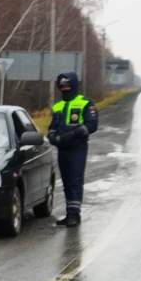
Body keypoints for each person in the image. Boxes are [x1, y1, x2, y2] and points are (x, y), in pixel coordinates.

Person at [45, 70, 99, 227]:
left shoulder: (86, 103)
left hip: (77, 148)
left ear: (74, 85)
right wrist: (53, 137)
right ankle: (70, 213)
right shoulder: (58, 106)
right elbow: (52, 127)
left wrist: (75, 133)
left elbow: (91, 125)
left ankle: (75, 215)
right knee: (67, 181)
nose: (65, 88)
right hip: (62, 148)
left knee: (75, 180)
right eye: (62, 85)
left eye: (67, 85)